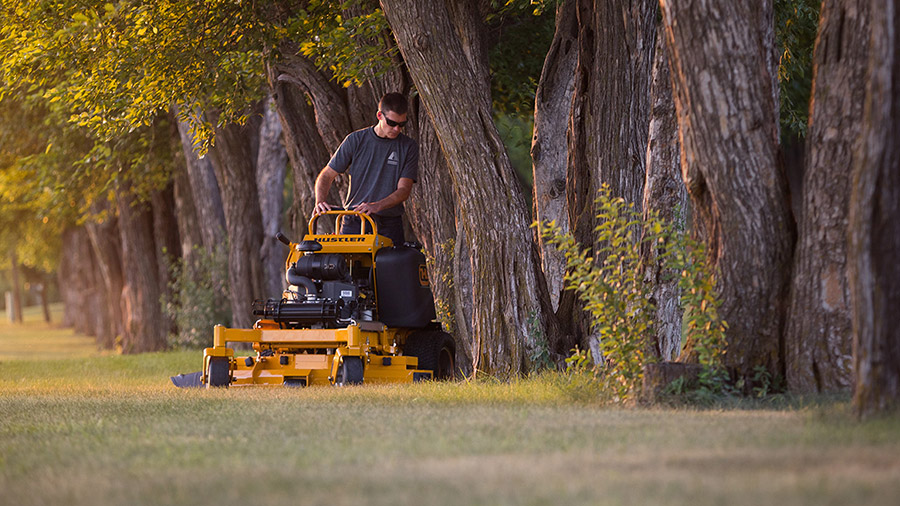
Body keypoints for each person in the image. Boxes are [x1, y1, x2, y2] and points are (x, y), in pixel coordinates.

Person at [313, 92, 417, 246]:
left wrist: (376, 206)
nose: (397, 129)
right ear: (380, 115)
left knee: (390, 268)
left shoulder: (408, 147)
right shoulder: (355, 140)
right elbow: (327, 175)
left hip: (389, 224)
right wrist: (320, 201)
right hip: (354, 222)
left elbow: (404, 190)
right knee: (347, 269)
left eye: (402, 124)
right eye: (392, 123)